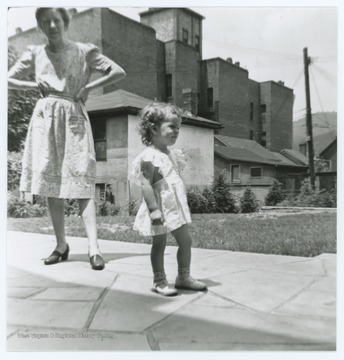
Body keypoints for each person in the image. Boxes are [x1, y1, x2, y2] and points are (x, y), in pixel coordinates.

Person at [8, 8, 126, 270]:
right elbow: (7, 79)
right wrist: (32, 86)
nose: (52, 26)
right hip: (44, 120)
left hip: (73, 114)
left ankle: (94, 248)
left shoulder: (84, 51)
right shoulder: (35, 54)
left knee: (82, 180)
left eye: (56, 20)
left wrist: (88, 87)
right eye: (45, 21)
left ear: (65, 23)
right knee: (52, 183)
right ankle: (61, 245)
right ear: (40, 25)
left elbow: (118, 71)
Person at [131, 102, 207, 296]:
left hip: (174, 207)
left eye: (178, 128)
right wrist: (154, 209)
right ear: (154, 128)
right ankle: (159, 280)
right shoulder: (149, 156)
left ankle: (183, 277)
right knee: (159, 244)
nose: (177, 131)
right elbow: (146, 185)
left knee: (186, 241)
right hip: (159, 207)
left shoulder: (171, 154)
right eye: (172, 126)